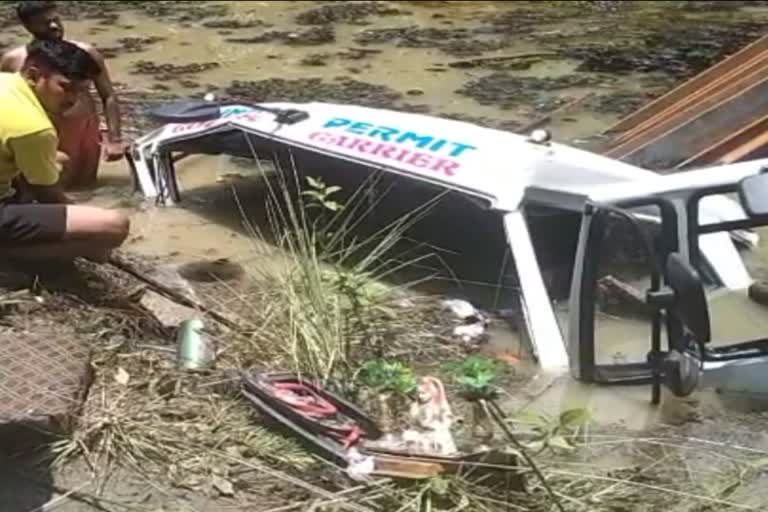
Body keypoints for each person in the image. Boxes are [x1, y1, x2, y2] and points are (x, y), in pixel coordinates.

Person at [0, 38, 129, 261]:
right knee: (113, 227)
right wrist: (78, 214)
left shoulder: (6, 81)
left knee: (60, 160)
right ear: (32, 76)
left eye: (81, 91)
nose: (73, 99)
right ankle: (10, 259)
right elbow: (48, 194)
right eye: (66, 87)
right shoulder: (34, 129)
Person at [0, 0, 126, 189]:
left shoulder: (85, 54)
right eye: (44, 22)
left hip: (83, 129)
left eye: (56, 19)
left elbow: (108, 95)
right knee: (46, 184)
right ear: (27, 26)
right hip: (39, 130)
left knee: (87, 186)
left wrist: (115, 139)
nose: (53, 26)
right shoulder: (14, 60)